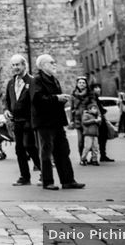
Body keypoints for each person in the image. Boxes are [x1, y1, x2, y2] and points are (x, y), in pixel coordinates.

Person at [30, 54, 85, 190]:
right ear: (43, 65)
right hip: (45, 123)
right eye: (51, 62)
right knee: (46, 152)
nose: (55, 64)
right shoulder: (37, 80)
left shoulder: (54, 79)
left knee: (63, 151)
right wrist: (57, 98)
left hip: (57, 121)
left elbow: (49, 98)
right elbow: (38, 100)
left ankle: (68, 181)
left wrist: (61, 99)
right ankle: (47, 181)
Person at [3, 54, 41, 186]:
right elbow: (7, 100)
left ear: (24, 65)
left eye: (17, 65)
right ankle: (25, 177)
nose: (15, 68)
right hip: (16, 121)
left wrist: (31, 119)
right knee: (19, 149)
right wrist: (7, 110)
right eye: (13, 65)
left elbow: (34, 102)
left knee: (30, 146)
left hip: (28, 120)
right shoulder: (11, 83)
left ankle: (43, 171)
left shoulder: (32, 81)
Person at [89, 83, 115, 162]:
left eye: (99, 88)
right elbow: (94, 109)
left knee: (102, 138)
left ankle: (102, 155)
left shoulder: (96, 98)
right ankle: (95, 157)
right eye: (96, 88)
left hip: (100, 120)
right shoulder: (93, 98)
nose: (98, 89)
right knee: (98, 139)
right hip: (97, 121)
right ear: (92, 90)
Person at [69, 77, 94, 156]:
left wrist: (91, 112)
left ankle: (91, 157)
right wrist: (71, 120)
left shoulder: (90, 94)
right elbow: (72, 108)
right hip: (78, 120)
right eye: (80, 82)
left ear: (86, 84)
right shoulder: (73, 95)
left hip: (88, 120)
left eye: (83, 82)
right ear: (77, 84)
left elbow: (94, 106)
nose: (81, 84)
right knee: (80, 140)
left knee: (90, 140)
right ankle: (82, 157)